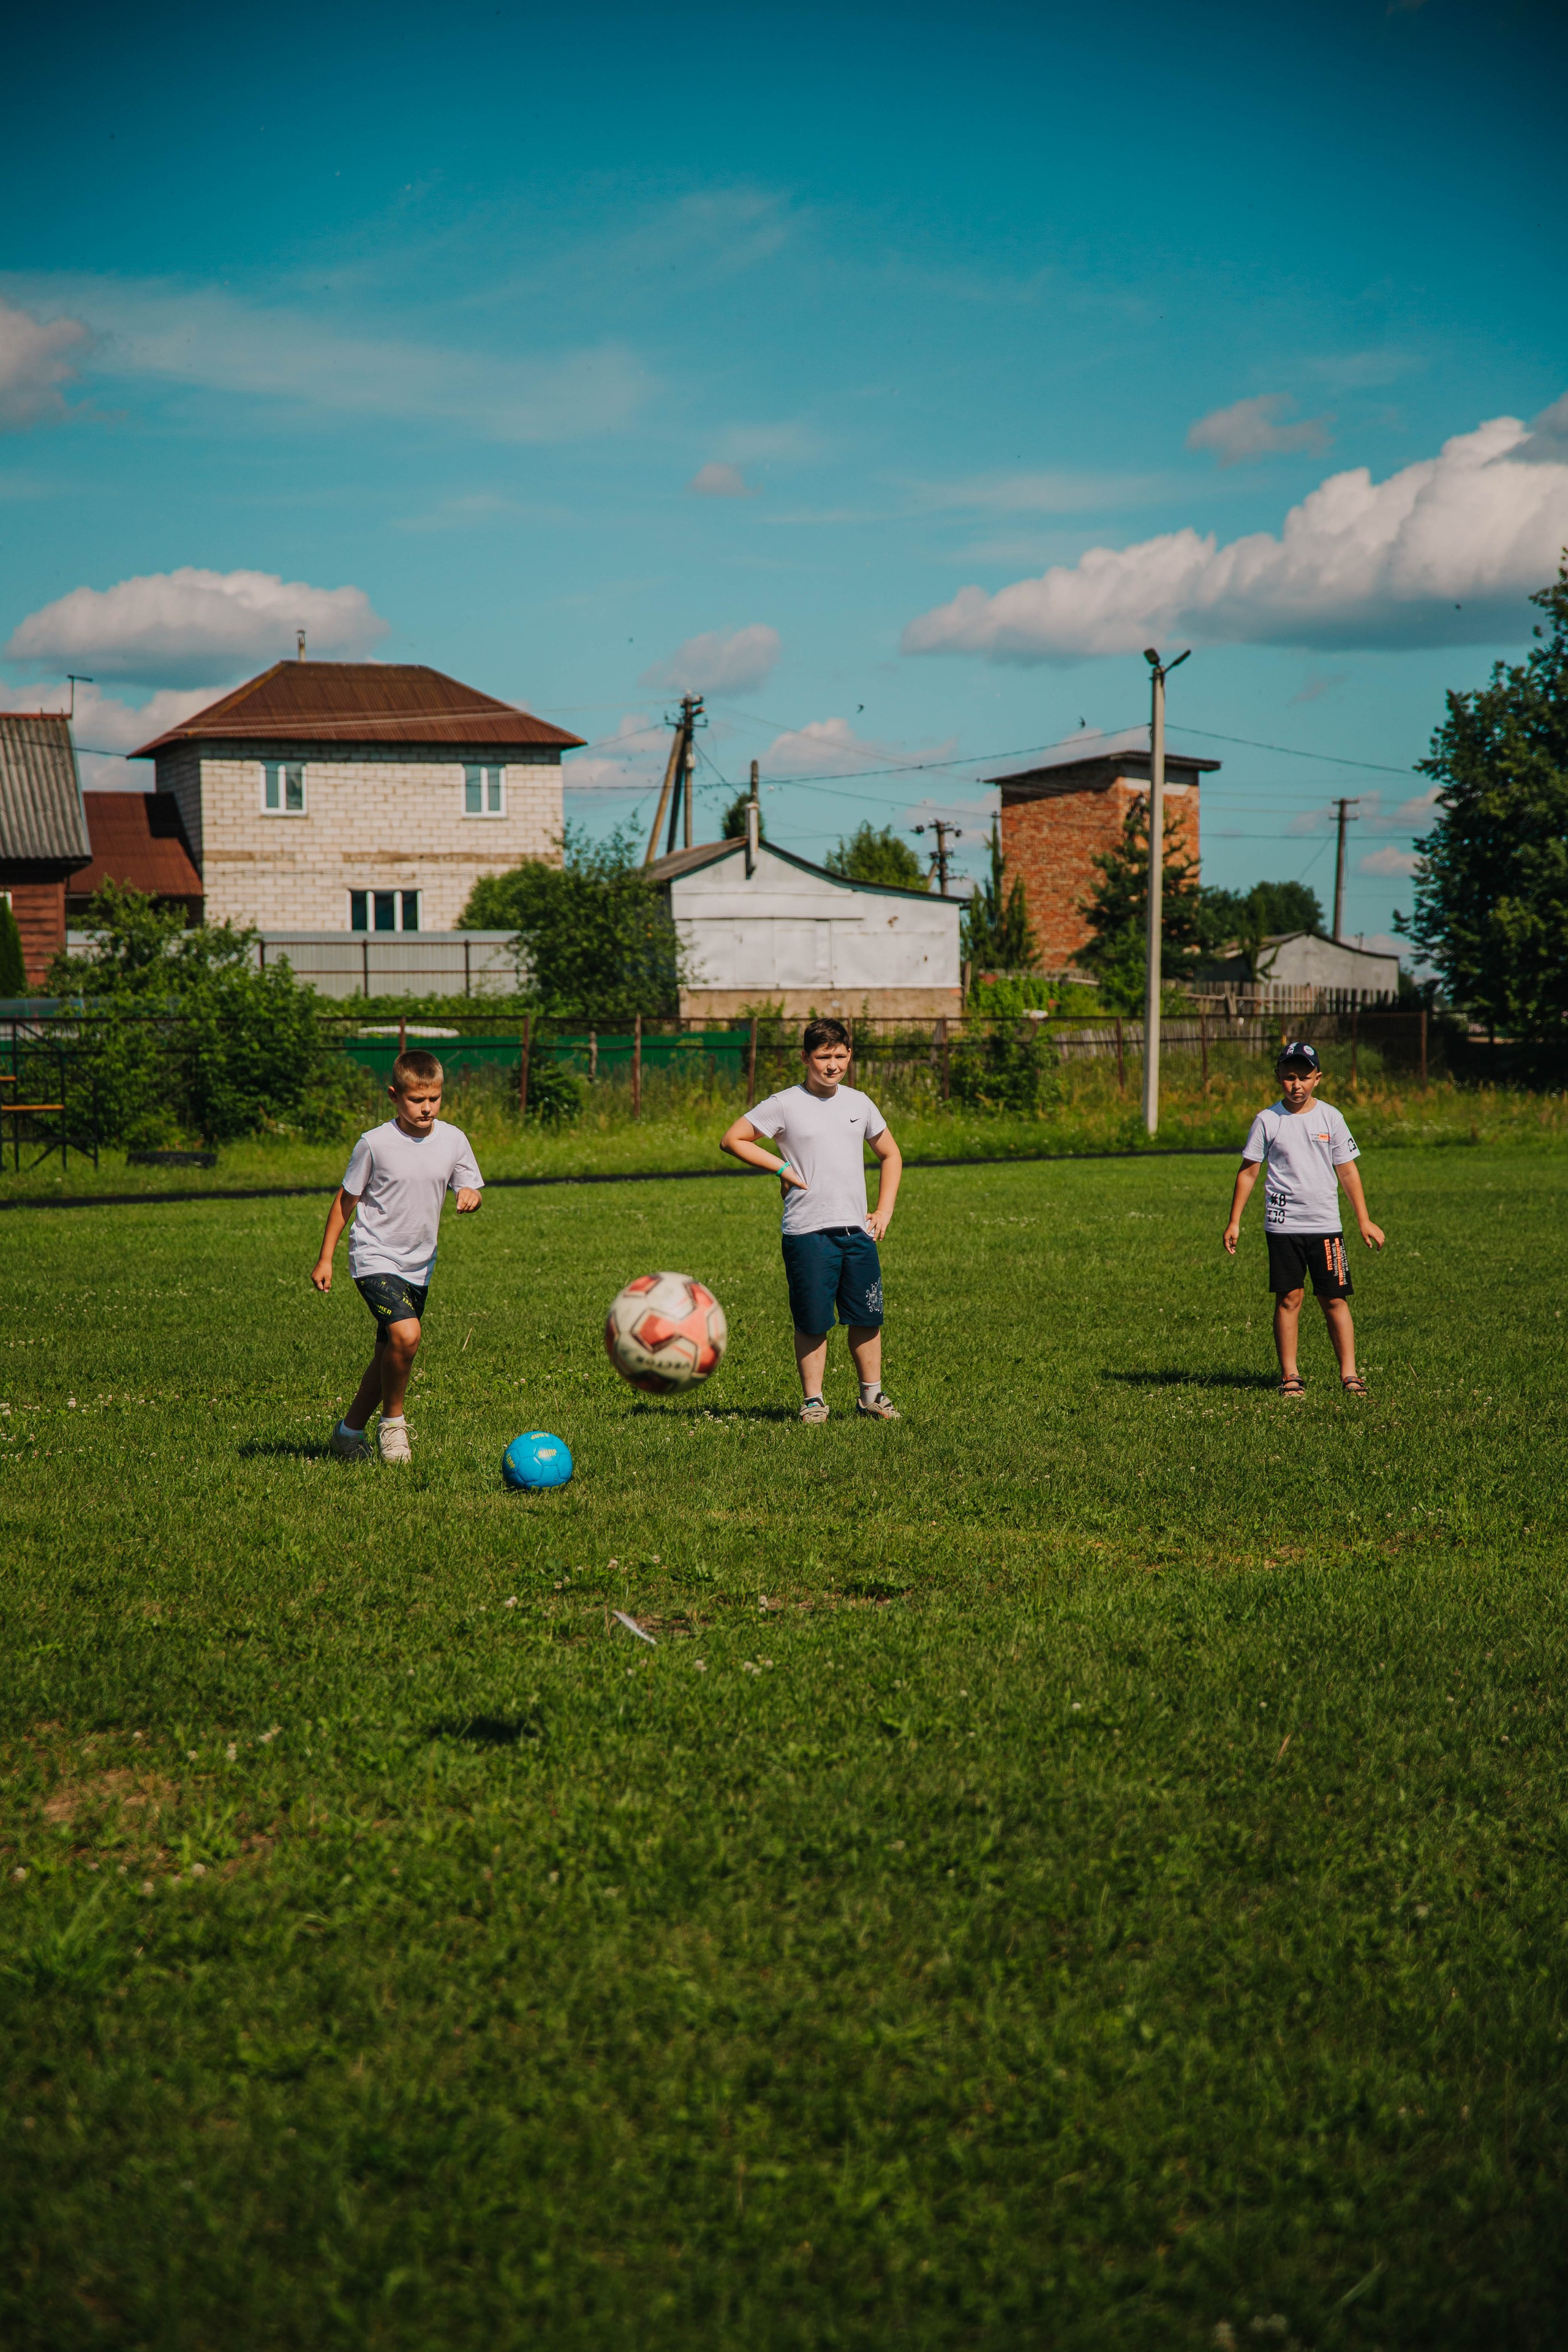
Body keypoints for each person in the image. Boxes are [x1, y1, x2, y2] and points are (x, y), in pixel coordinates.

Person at [720, 1017, 903, 1423]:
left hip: (857, 1231)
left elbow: (890, 1154)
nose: (832, 1065)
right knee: (813, 1320)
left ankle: (871, 1397)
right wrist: (782, 1169)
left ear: (850, 1055)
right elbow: (733, 1139)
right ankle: (814, 1402)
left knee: (867, 1316)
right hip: (807, 1234)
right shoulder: (785, 1103)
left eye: (840, 1056)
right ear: (805, 1057)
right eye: (823, 1057)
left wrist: (884, 1209)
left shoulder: (860, 1103)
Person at [311, 1049, 483, 1461]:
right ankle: (393, 1427)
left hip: (419, 1264)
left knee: (391, 1355)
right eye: (415, 1100)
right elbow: (345, 1201)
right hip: (374, 1256)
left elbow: (469, 1185)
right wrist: (326, 1257)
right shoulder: (375, 1143)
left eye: (434, 1099)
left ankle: (348, 1435)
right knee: (407, 1337)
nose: (426, 1109)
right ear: (394, 1095)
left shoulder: (454, 1139)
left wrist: (470, 1194)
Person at [1223, 1039, 1384, 1398]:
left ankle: (1350, 1375)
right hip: (1283, 1228)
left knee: (1335, 1300)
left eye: (1304, 1077)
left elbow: (1348, 1172)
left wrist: (1364, 1219)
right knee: (1289, 1299)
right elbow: (1249, 1172)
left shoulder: (1332, 1117)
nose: (1296, 1085)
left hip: (1326, 1227)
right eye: (1289, 1076)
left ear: (1318, 1078)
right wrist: (1235, 1221)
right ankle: (1290, 1376)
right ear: (1278, 1077)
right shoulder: (1268, 1120)